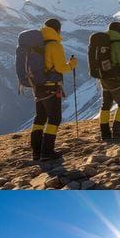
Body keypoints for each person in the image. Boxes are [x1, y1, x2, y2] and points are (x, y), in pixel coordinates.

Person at [30, 18, 76, 161]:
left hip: (37, 87)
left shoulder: (37, 44)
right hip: (51, 87)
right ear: (58, 30)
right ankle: (47, 151)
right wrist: (71, 64)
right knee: (54, 118)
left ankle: (36, 151)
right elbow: (61, 67)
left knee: (40, 118)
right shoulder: (55, 45)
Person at [99, 21, 120, 139]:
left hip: (103, 78)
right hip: (114, 79)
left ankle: (105, 132)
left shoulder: (103, 43)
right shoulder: (117, 44)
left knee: (106, 105)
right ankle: (117, 131)